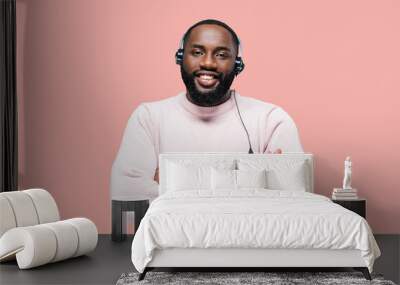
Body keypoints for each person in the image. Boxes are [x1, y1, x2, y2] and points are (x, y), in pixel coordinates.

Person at [110, 19, 303, 201]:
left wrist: (173, 183)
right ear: (180, 58)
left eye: (221, 55)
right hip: (170, 237)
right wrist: (250, 179)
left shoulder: (271, 120)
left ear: (238, 65)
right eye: (197, 52)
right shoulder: (148, 117)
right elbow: (125, 192)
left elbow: (293, 196)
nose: (208, 63)